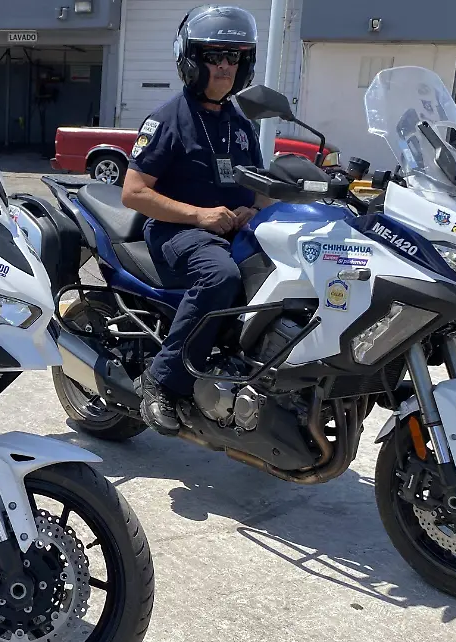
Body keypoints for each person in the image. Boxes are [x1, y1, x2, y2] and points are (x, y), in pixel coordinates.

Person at [121, 4, 275, 436]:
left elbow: (259, 183)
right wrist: (199, 215)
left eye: (234, 57)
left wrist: (256, 209)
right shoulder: (168, 119)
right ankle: (163, 381)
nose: (225, 66)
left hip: (234, 229)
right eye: (214, 56)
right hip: (178, 232)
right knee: (221, 276)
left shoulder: (240, 122)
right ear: (191, 60)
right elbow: (133, 192)